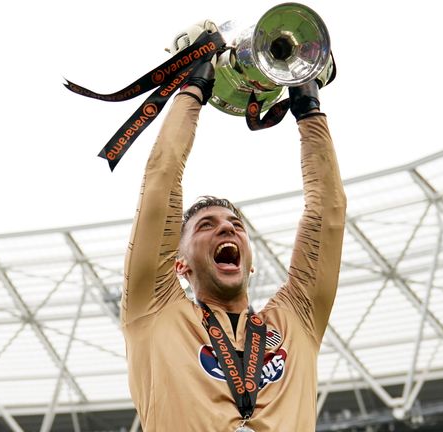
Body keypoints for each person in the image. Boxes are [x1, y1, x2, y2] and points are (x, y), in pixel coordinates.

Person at [121, 22, 346, 431]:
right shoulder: (154, 310)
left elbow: (326, 213)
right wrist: (194, 88)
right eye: (206, 226)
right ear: (180, 264)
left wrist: (308, 106)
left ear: (251, 263)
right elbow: (161, 181)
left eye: (236, 225)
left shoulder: (296, 321)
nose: (227, 230)